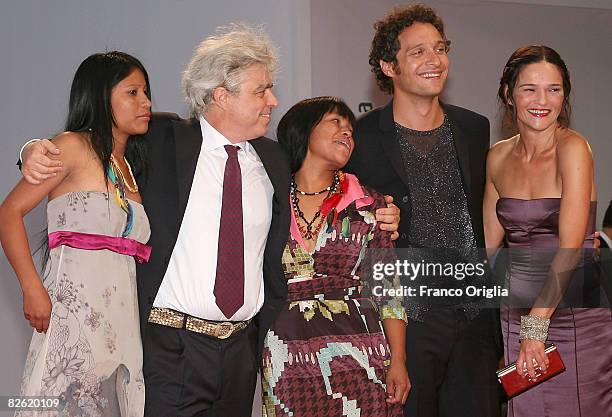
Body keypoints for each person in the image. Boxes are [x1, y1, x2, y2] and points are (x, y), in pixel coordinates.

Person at [18, 25, 401, 417]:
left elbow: (328, 184)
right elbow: (93, 138)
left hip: (241, 352)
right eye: (261, 90)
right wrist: (31, 150)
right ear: (221, 94)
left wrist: (383, 209)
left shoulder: (274, 160)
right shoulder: (161, 140)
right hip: (172, 349)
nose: (273, 100)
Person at [345, 5, 501, 417]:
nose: (435, 60)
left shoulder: (474, 128)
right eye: (418, 52)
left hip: (473, 314)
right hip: (405, 323)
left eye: (440, 48)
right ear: (387, 65)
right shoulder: (360, 139)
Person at [0, 51, 152, 416]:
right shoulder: (72, 146)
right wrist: (32, 288)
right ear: (101, 96)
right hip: (70, 314)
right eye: (132, 92)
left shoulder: (129, 166)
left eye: (146, 92)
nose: (146, 102)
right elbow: (9, 212)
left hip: (121, 323)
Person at [483, 45, 612, 417]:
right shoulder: (497, 156)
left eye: (554, 89)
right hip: (515, 312)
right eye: (529, 89)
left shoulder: (573, 149)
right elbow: (490, 246)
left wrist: (535, 328)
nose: (542, 100)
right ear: (509, 94)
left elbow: (571, 247)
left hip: (571, 314)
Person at [261, 97, 409, 417]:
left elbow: (389, 291)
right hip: (286, 355)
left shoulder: (370, 205)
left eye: (350, 128)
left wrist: (398, 360)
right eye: (335, 122)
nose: (347, 132)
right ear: (304, 131)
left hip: (360, 354)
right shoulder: (267, 199)